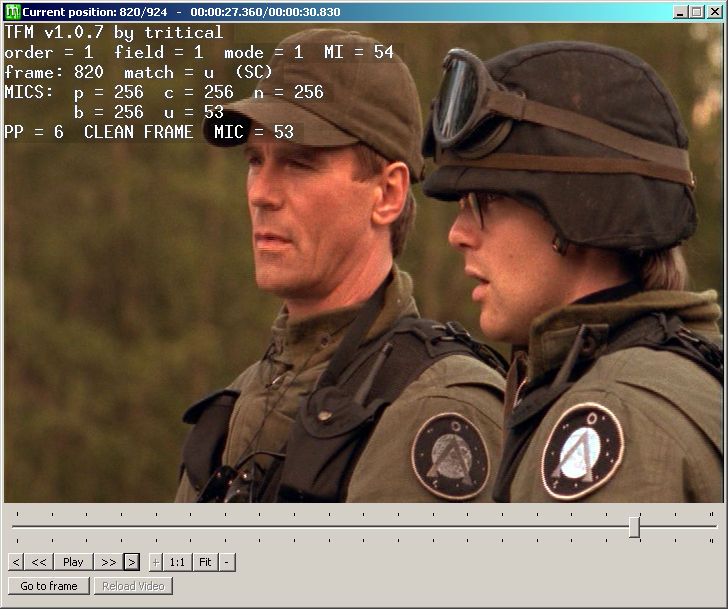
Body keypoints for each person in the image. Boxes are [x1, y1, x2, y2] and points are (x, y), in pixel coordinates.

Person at [175, 28, 506, 503]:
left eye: (298, 163)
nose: (261, 193)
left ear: (387, 194)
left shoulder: (437, 410)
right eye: (255, 160)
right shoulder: (237, 406)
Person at [422, 41, 723, 502]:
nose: (458, 234)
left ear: (580, 212)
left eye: (485, 200)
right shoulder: (668, 373)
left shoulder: (613, 420)